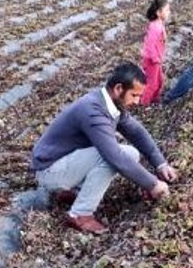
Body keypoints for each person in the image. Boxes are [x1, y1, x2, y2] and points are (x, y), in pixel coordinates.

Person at [30, 61, 178, 235]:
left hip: (65, 161)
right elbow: (114, 156)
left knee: (130, 153)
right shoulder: (93, 111)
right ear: (118, 89)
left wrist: (160, 163)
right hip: (49, 170)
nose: (137, 101)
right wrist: (153, 184)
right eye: (134, 95)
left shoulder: (111, 104)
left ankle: (73, 191)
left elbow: (136, 132)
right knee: (112, 158)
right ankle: (79, 214)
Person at [139, 0, 170, 106]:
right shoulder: (155, 27)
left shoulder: (159, 24)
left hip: (157, 59)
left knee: (160, 81)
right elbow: (150, 45)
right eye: (166, 10)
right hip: (152, 61)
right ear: (158, 12)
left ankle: (155, 99)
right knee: (152, 84)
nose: (168, 12)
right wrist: (155, 58)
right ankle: (144, 104)